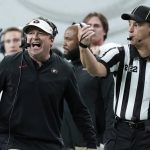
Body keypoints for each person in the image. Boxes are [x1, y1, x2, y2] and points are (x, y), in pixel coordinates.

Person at [0, 17, 97, 150]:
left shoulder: (64, 69)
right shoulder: (9, 63)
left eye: (40, 33)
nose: (34, 36)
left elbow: (78, 110)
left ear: (51, 40)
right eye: (30, 33)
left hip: (49, 144)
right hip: (12, 142)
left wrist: (91, 144)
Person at [78, 5, 150, 150]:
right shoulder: (120, 53)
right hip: (120, 132)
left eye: (137, 25)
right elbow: (96, 70)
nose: (130, 29)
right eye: (129, 25)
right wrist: (84, 48)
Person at [62, 24, 114, 150]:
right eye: (64, 39)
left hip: (91, 145)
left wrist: (108, 141)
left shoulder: (100, 68)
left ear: (83, 39)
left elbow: (110, 107)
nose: (64, 44)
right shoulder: (62, 69)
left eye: (68, 39)